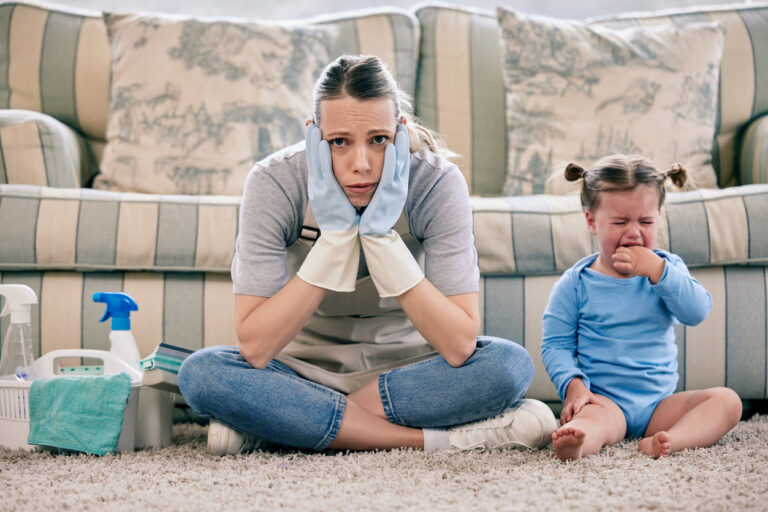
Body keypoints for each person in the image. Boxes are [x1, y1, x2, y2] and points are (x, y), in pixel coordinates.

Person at [178, 54, 557, 455]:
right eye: (339, 142)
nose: (361, 165)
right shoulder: (275, 181)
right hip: (299, 372)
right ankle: (435, 441)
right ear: (313, 136)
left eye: (379, 140)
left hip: (409, 372)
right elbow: (255, 347)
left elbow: (460, 345)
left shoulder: (436, 182)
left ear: (400, 131)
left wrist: (379, 239)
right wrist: (336, 240)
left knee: (509, 366)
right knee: (203, 374)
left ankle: (283, 426)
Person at [541, 155, 743, 461]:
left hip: (660, 405)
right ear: (592, 221)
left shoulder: (666, 270)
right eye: (620, 222)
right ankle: (578, 443)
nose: (634, 232)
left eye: (646, 221)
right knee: (589, 422)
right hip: (605, 403)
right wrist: (574, 385)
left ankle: (670, 439)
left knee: (728, 402)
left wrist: (659, 271)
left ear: (659, 215)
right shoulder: (576, 284)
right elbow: (556, 344)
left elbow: (697, 311)